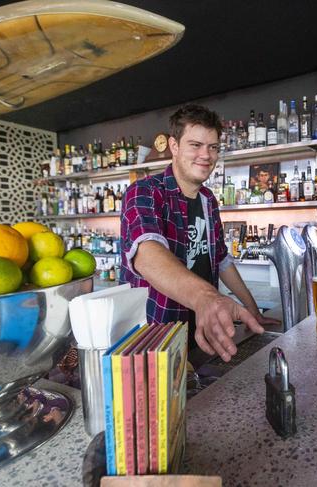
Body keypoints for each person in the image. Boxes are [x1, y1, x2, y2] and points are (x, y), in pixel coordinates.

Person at [120, 104, 279, 362]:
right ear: (174, 146)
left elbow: (222, 260)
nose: (206, 155)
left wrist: (253, 310)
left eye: (213, 147)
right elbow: (147, 255)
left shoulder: (207, 199)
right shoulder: (145, 192)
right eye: (195, 145)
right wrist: (207, 298)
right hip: (157, 340)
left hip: (203, 336)